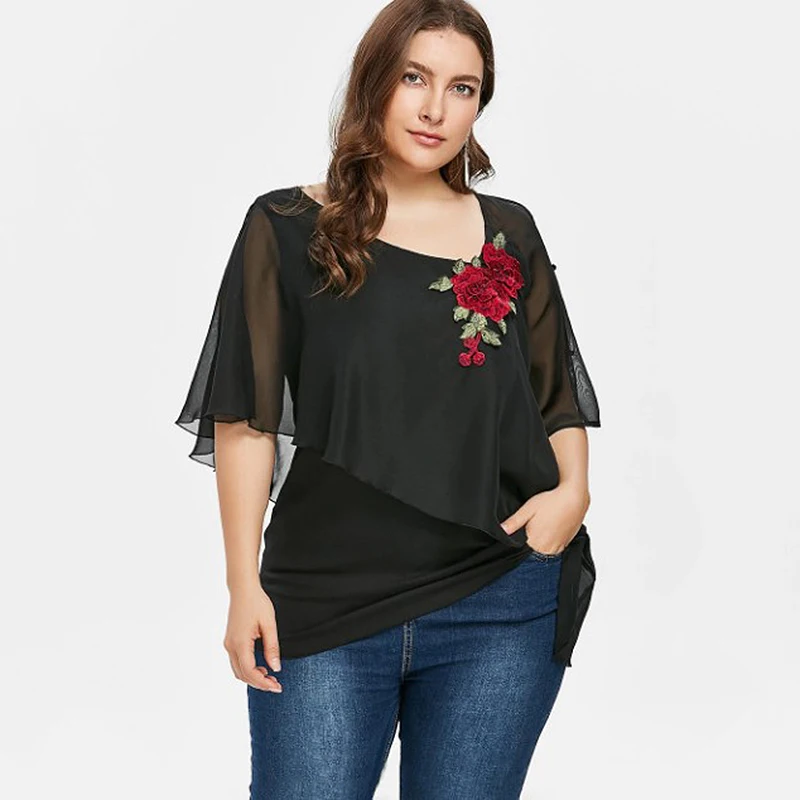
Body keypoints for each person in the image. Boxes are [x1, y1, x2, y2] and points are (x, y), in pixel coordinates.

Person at [174, 0, 601, 796]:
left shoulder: (509, 232)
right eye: (414, 78)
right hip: (324, 601)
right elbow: (246, 420)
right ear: (373, 81)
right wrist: (242, 585)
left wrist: (573, 490)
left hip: (499, 602)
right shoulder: (286, 226)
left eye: (462, 88)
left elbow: (556, 395)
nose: (436, 108)